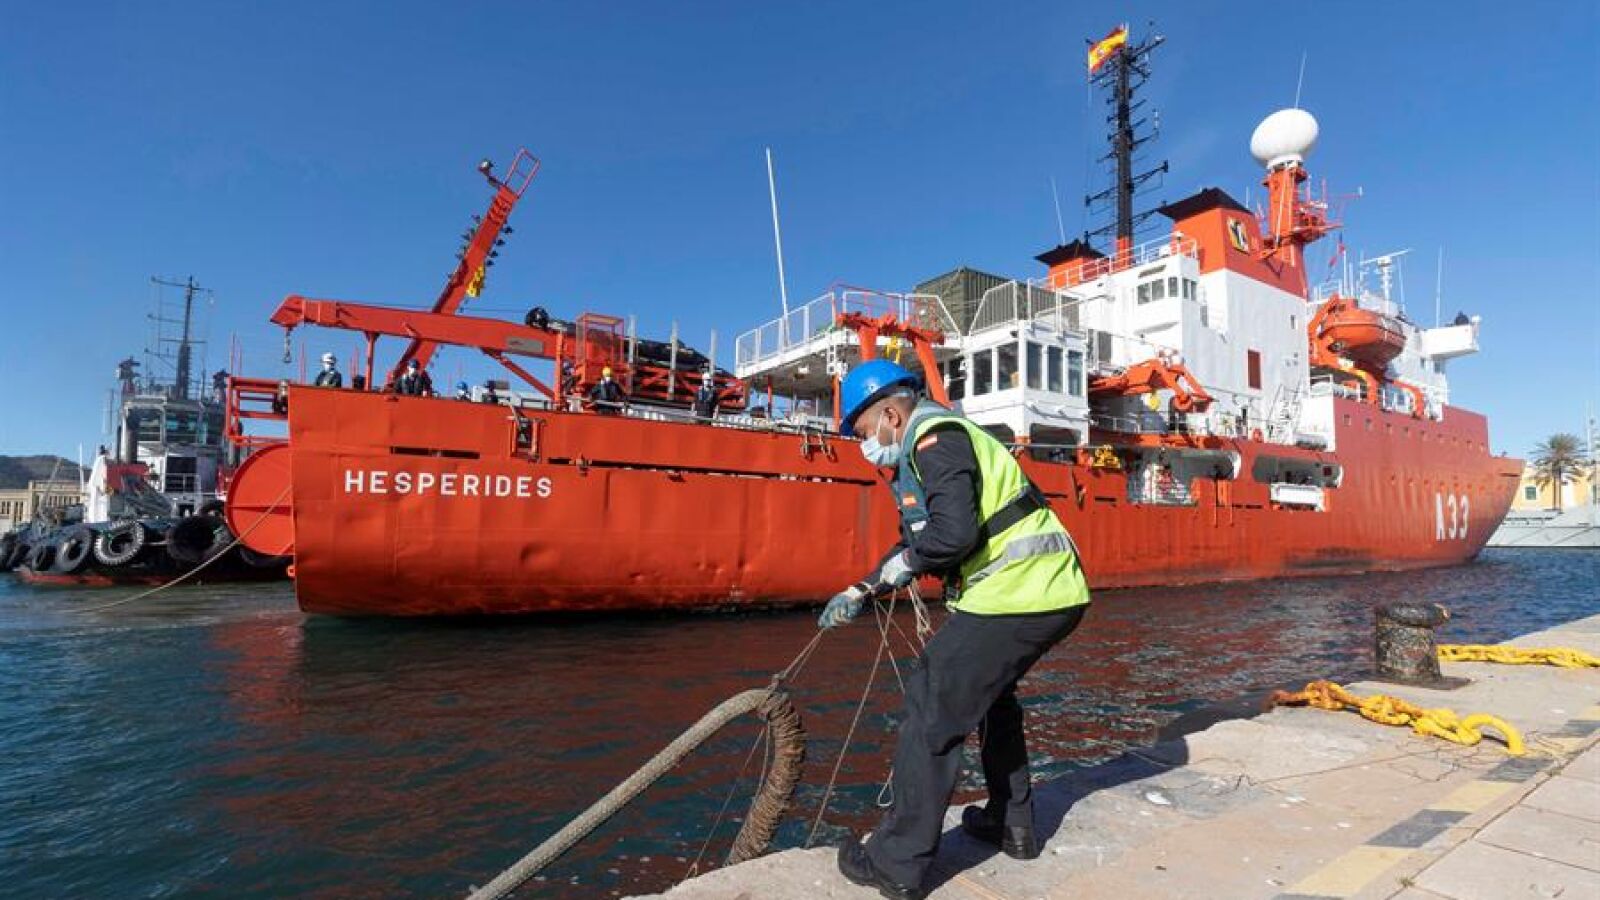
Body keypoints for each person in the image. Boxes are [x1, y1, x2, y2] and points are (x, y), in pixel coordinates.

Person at [819, 359, 1091, 900]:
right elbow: (916, 543)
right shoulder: (931, 446)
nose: (864, 446)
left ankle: (895, 863)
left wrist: (907, 565)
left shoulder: (935, 439)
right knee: (994, 701)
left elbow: (953, 535)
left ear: (891, 416)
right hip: (1047, 590)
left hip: (1020, 591)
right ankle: (1011, 824)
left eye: (863, 431)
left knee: (931, 699)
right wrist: (860, 589)